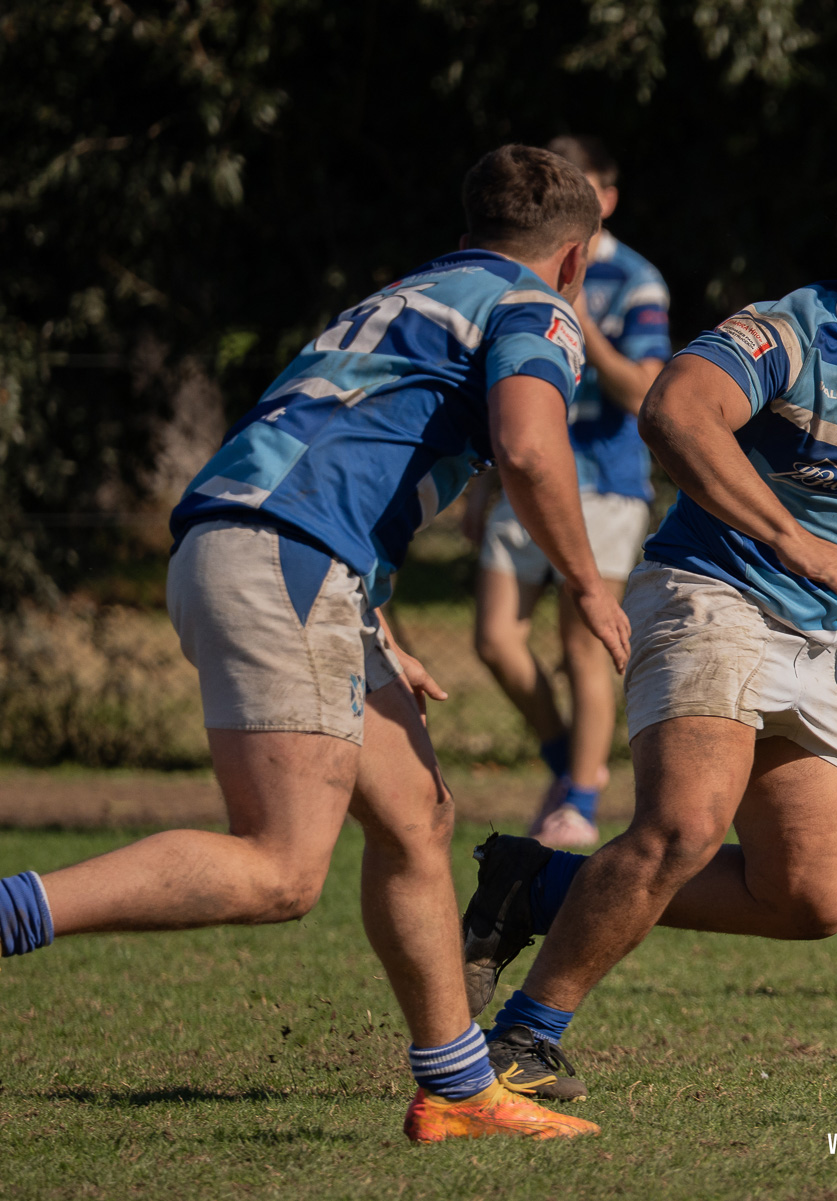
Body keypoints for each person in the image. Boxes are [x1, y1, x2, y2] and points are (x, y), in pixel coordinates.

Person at [0, 145, 631, 1140]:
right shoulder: (532, 306)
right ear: (574, 254)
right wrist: (590, 584)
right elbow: (527, 443)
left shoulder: (413, 291)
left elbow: (333, 447)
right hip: (284, 561)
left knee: (417, 817)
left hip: (271, 551)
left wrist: (373, 616)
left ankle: (458, 1086)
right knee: (282, 867)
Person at [457, 156, 837, 1099]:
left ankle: (535, 886)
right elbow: (676, 412)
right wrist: (791, 538)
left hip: (814, 640)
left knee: (803, 900)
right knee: (681, 831)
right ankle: (522, 1040)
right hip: (709, 598)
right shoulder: (792, 334)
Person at [464, 135, 670, 849]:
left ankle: (580, 799)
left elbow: (646, 391)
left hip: (604, 483)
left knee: (584, 647)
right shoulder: (518, 277)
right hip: (523, 474)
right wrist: (481, 482)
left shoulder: (635, 281)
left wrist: (580, 325)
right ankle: (565, 759)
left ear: (607, 197)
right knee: (495, 639)